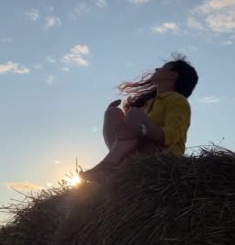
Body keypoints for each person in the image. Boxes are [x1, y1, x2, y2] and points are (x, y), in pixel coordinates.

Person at [79, 53, 198, 183]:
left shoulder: (178, 100)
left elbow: (172, 135)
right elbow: (125, 136)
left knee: (134, 113)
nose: (157, 69)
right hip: (138, 156)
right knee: (113, 113)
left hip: (164, 158)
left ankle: (107, 166)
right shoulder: (147, 105)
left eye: (162, 67)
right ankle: (119, 167)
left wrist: (143, 130)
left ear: (173, 75)